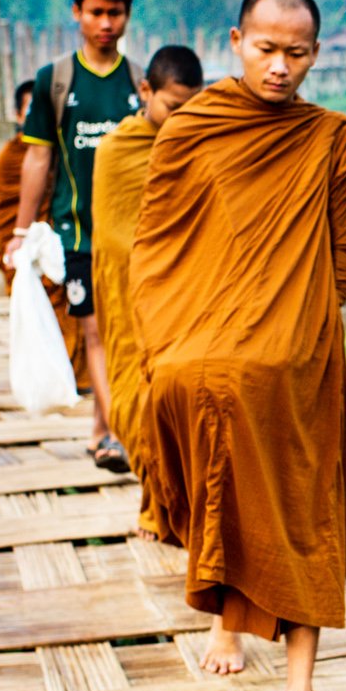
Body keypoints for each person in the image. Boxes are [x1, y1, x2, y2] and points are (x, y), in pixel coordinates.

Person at [130, 0, 346, 691]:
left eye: (296, 54)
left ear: (316, 54)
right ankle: (229, 614)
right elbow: (163, 238)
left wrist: (294, 323)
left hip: (297, 349)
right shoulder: (195, 128)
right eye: (266, 50)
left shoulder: (332, 139)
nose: (280, 68)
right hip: (210, 335)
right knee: (200, 409)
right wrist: (192, 326)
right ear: (236, 41)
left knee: (304, 512)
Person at [5, 0, 146, 472]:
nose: (106, 24)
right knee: (95, 334)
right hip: (78, 235)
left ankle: (101, 430)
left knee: (128, 333)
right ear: (76, 13)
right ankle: (123, 436)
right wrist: (22, 231)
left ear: (129, 15)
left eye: (116, 13)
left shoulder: (140, 82)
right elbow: (38, 156)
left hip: (132, 236)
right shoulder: (55, 81)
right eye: (96, 13)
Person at [91, 44, 202, 540]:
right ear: (145, 92)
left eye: (192, 107)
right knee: (136, 406)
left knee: (183, 404)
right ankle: (157, 507)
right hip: (129, 295)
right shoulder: (118, 149)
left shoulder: (201, 142)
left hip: (186, 296)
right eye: (173, 108)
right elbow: (114, 235)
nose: (182, 118)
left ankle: (188, 510)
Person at [0, 79, 87, 386]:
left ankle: (75, 373)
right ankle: (50, 375)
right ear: (19, 117)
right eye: (30, 112)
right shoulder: (14, 156)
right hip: (28, 240)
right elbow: (7, 206)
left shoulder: (65, 150)